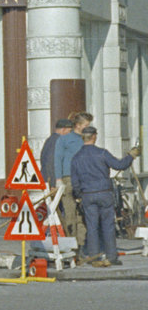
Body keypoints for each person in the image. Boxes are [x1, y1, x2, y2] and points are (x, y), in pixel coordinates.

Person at [70, 126, 139, 267]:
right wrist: (131, 155)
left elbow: (75, 182)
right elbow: (119, 165)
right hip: (104, 193)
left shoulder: (76, 157)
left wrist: (78, 196)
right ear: (94, 137)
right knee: (108, 225)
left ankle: (95, 257)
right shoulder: (102, 153)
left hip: (88, 195)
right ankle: (112, 256)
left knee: (92, 226)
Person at [54, 112, 93, 245]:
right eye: (86, 125)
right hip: (68, 178)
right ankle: (71, 243)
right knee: (70, 212)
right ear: (77, 125)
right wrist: (58, 179)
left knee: (82, 213)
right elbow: (57, 159)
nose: (88, 128)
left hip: (84, 179)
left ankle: (82, 244)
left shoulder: (86, 139)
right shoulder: (64, 139)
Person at [40, 118, 73, 189]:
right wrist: (53, 183)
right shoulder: (57, 141)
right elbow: (51, 162)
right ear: (63, 129)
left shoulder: (51, 139)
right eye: (69, 131)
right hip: (53, 182)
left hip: (48, 179)